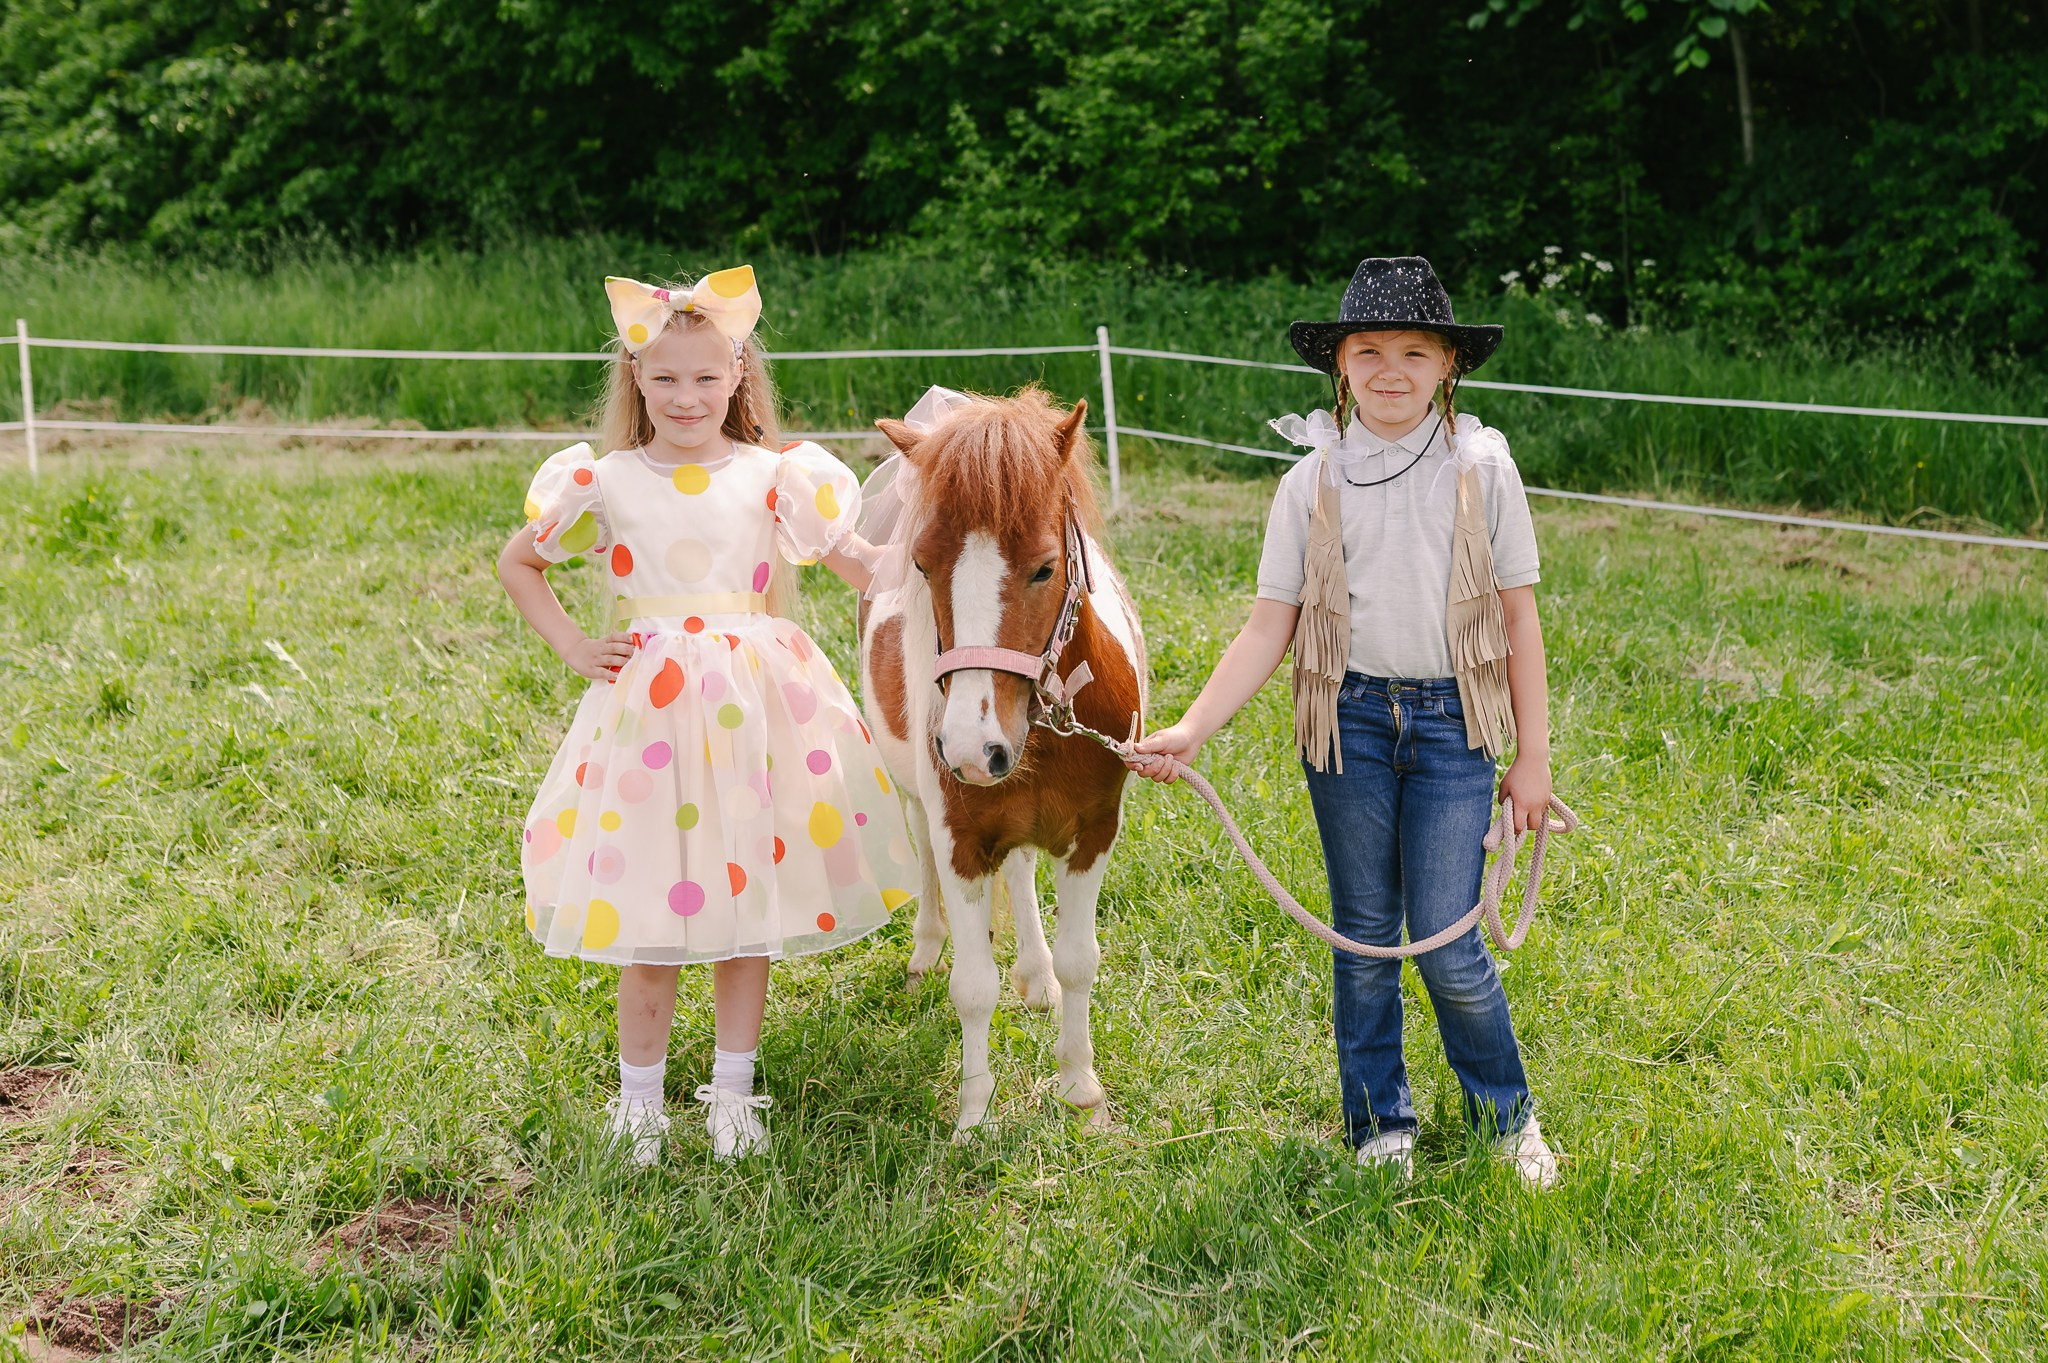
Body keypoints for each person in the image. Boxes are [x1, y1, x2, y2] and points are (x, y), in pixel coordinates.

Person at [1131, 256, 1559, 1187]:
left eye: (1415, 350)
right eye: (1369, 350)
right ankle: (1378, 1123)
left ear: (1450, 364)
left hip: (1456, 725)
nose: (1391, 369)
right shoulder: (1312, 481)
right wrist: (1192, 728)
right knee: (1363, 932)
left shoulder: (1482, 471)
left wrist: (1534, 759)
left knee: (1447, 939)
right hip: (1349, 719)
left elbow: (1519, 615)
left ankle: (1508, 1114)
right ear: (1341, 366)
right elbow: (1268, 626)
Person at [498, 266, 914, 1166]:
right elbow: (518, 564)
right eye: (666, 379)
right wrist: (576, 645)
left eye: (706, 378)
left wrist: (939, 553)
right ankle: (638, 1103)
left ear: (738, 379)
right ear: (637, 382)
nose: (687, 397)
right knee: (651, 914)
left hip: (760, 715)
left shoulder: (777, 475)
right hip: (649, 722)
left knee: (744, 912)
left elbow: (862, 564)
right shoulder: (603, 479)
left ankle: (732, 1092)